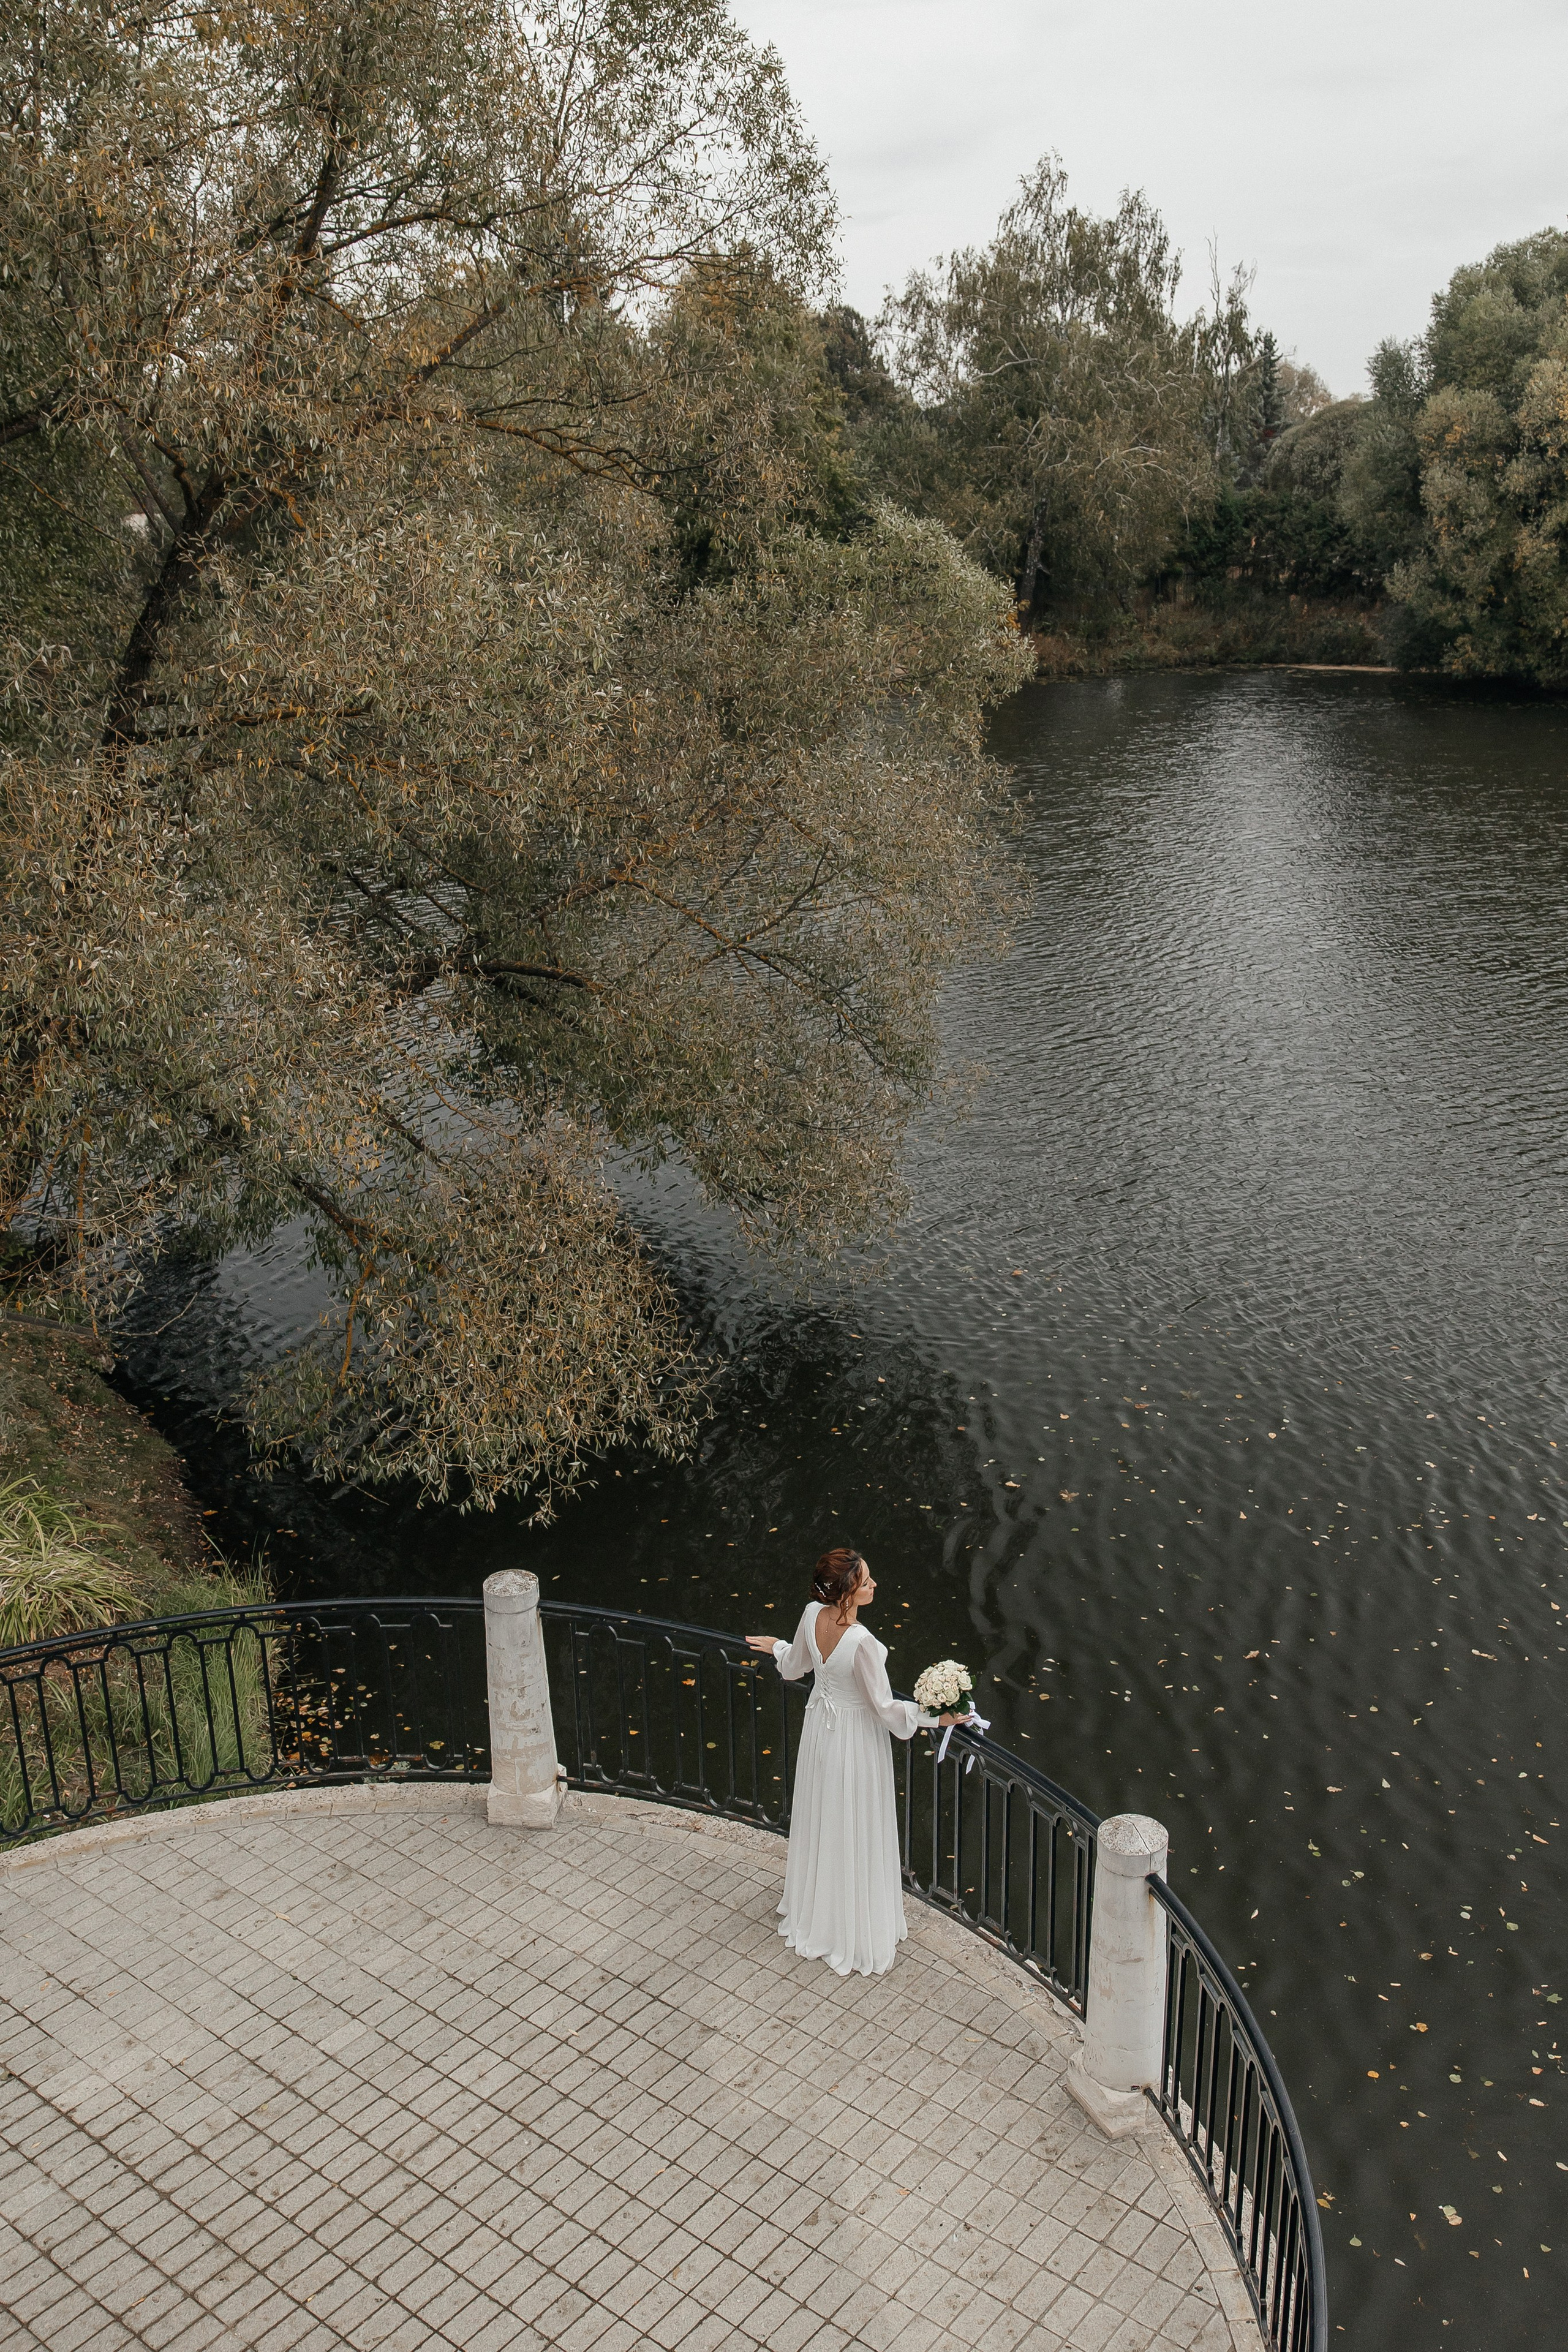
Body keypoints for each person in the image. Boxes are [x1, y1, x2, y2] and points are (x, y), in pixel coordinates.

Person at [745, 1547, 963, 1977]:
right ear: (846, 1592)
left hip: (819, 1736)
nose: (874, 1586)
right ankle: (852, 1927)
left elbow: (793, 1668)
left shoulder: (811, 1614)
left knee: (825, 1816)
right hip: (855, 1741)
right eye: (866, 1582)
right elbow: (885, 1710)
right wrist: (937, 1717)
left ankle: (819, 1912)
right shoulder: (863, 1643)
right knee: (855, 1820)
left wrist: (778, 1648)